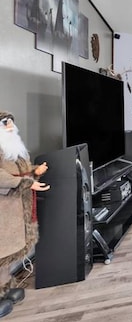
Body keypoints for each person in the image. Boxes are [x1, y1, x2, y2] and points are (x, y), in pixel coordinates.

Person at [0, 111, 50, 319]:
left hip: (18, 206)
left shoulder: (14, 148)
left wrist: (35, 170)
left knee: (9, 252)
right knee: (2, 250)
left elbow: (21, 168)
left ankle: (4, 290)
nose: (10, 127)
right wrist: (27, 182)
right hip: (5, 207)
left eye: (11, 123)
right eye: (5, 124)